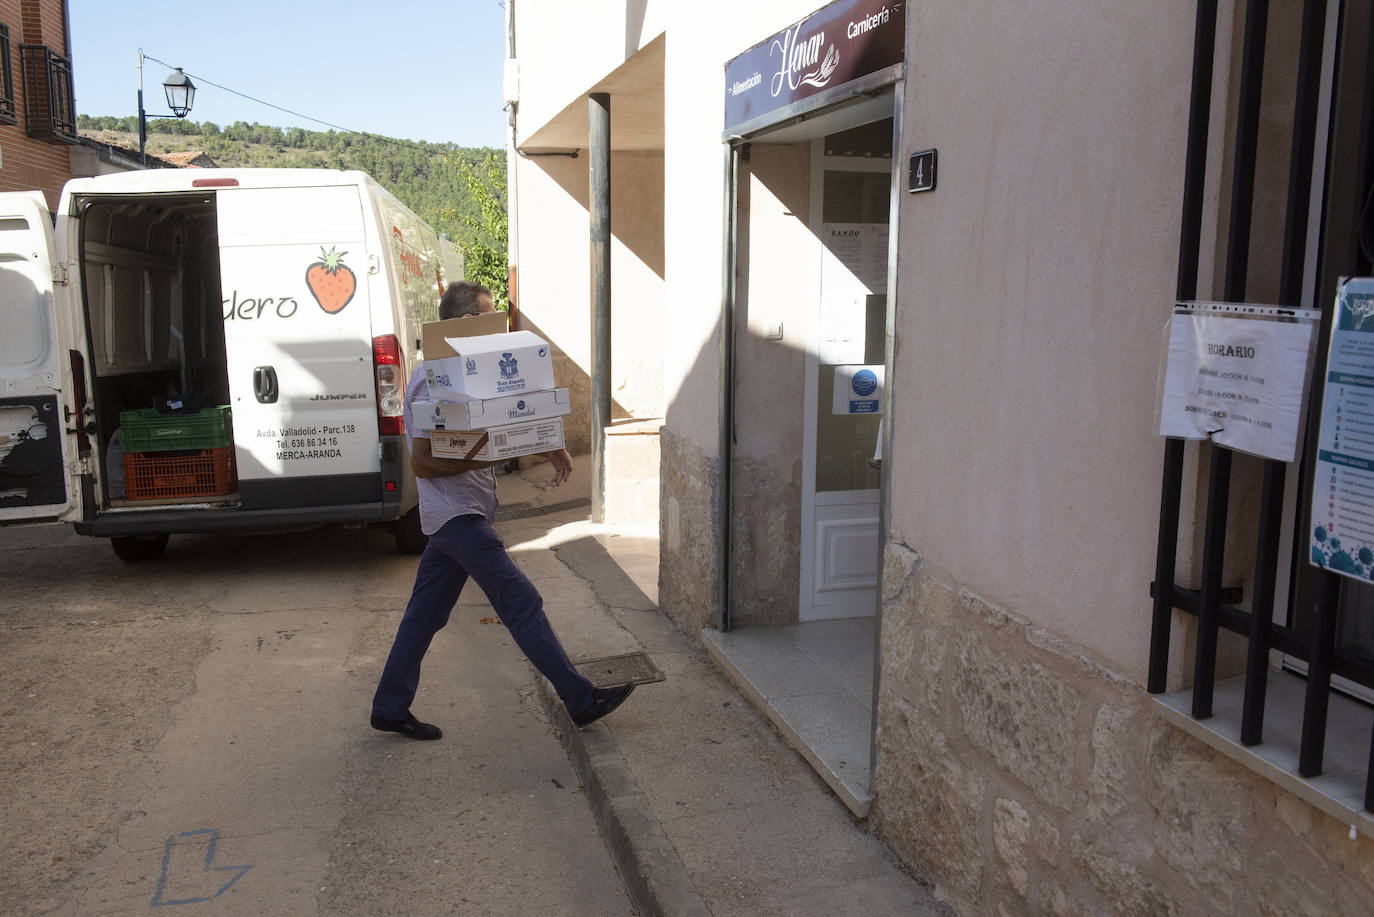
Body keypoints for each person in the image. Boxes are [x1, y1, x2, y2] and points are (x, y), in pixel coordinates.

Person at [370, 281, 634, 740]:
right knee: (520, 600)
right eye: (492, 317)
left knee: (423, 616)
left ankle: (389, 707)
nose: (498, 327)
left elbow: (508, 416)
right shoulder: (433, 379)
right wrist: (494, 453)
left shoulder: (464, 372)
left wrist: (546, 444)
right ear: (471, 323)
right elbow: (425, 464)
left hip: (460, 515)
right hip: (457, 518)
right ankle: (580, 698)